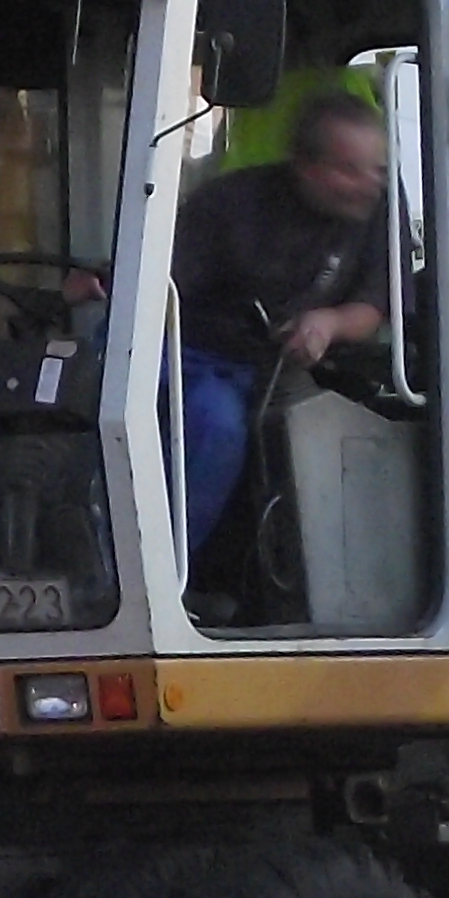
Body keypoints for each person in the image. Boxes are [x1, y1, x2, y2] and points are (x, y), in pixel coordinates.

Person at [172, 93, 390, 585]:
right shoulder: (230, 204)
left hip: (287, 370)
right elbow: (162, 289)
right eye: (350, 170)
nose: (367, 185)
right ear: (305, 167)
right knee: (217, 423)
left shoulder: (376, 209)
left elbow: (374, 306)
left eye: (375, 169)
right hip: (194, 356)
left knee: (335, 440)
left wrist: (329, 323)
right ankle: (168, 576)